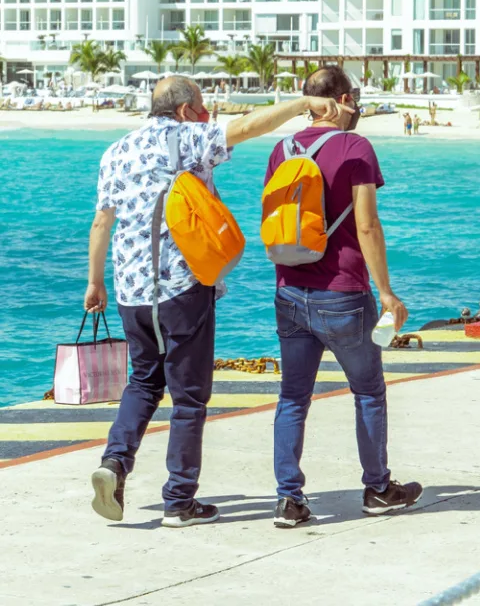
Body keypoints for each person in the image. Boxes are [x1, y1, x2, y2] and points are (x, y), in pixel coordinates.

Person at [85, 75, 347, 528]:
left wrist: (95, 284)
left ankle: (114, 464)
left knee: (144, 382)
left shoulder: (116, 151)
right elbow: (247, 128)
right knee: (189, 398)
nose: (208, 115)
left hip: (129, 290)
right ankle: (179, 502)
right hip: (181, 287)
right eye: (203, 107)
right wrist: (302, 103)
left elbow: (100, 223)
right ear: (186, 110)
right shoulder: (184, 137)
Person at [264, 65, 422, 529]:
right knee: (368, 392)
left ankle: (289, 499)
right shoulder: (356, 147)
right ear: (344, 99)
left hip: (289, 289)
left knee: (293, 397)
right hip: (344, 292)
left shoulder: (282, 148)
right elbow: (367, 224)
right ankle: (377, 488)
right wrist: (387, 291)